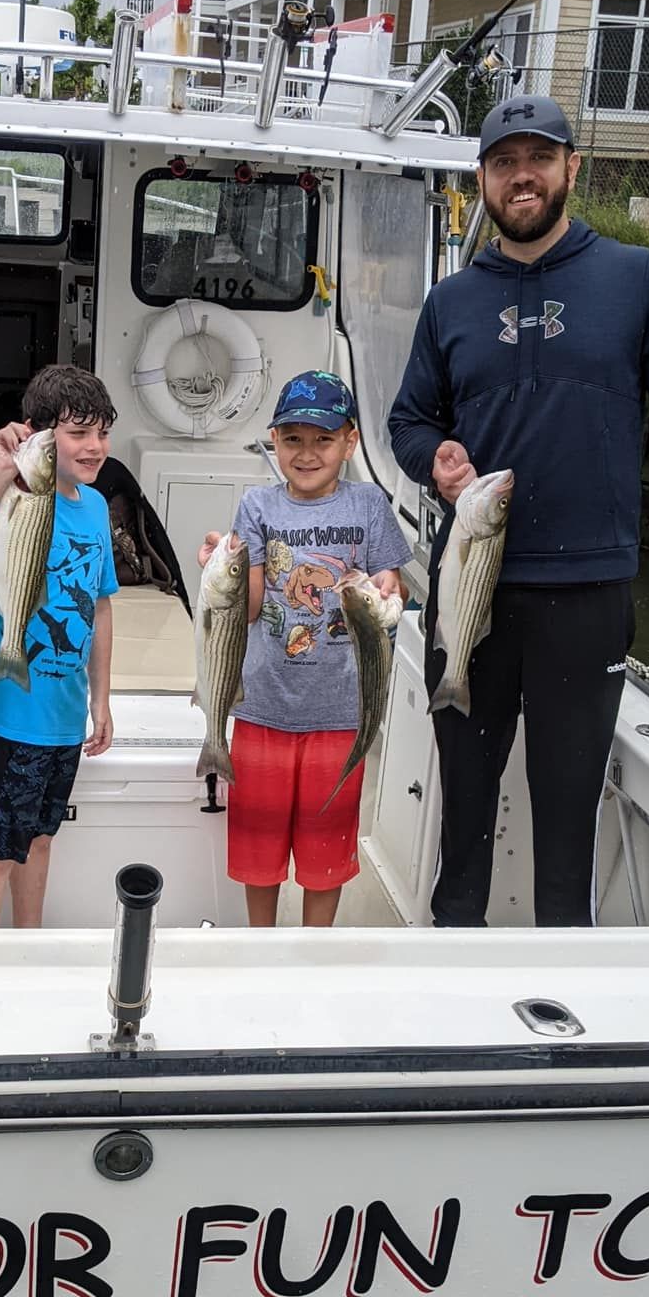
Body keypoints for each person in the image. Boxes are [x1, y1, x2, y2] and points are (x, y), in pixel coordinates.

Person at [388, 94, 649, 929]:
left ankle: (562, 999)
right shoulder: (450, 302)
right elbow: (408, 421)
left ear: (574, 169)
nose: (522, 176)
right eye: (504, 162)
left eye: (539, 158)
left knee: (566, 823)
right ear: (484, 181)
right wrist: (439, 460)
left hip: (588, 597)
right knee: (463, 812)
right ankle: (453, 971)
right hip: (475, 592)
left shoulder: (634, 277)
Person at [198, 372, 410, 929]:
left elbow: (393, 586)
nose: (307, 453)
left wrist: (389, 588)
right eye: (292, 439)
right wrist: (220, 569)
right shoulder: (257, 505)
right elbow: (245, 607)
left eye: (322, 439)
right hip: (262, 703)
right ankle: (260, 948)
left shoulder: (369, 505)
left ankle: (316, 952)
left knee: (326, 855)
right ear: (273, 441)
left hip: (341, 713)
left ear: (350, 441)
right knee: (258, 854)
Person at [0, 364, 118, 929]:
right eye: (78, 433)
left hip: (64, 714)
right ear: (39, 436)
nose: (94, 447)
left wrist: (102, 699)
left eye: (102, 432)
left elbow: (102, 605)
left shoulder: (94, 507)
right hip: (7, 710)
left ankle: (27, 952)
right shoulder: (13, 495)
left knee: (38, 840)